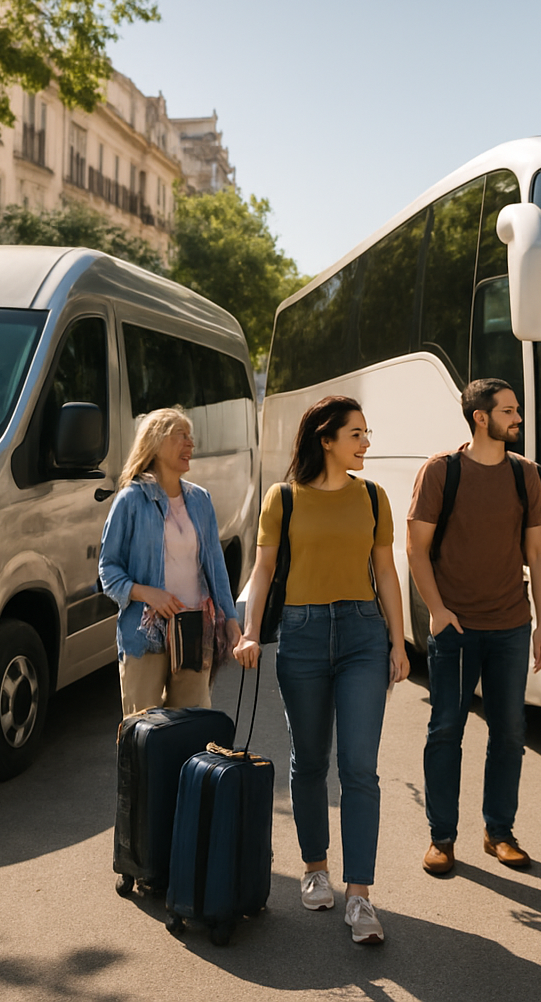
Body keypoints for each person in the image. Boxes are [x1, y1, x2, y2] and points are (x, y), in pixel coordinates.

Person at [234, 396, 410, 945]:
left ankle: (360, 896)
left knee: (359, 768)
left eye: (366, 432)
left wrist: (398, 640)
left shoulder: (373, 497)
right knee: (310, 760)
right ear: (326, 439)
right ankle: (315, 867)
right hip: (302, 634)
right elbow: (263, 570)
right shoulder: (283, 498)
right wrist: (249, 631)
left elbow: (386, 571)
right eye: (356, 434)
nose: (366, 443)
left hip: (363, 635)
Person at [407, 378, 541, 876]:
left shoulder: (524, 474)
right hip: (456, 629)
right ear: (481, 417)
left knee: (510, 733)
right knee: (446, 730)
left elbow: (538, 553)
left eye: (517, 410)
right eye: (509, 411)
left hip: (511, 625)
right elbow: (416, 548)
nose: (518, 418)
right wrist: (437, 610)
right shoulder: (441, 471)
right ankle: (441, 838)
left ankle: (499, 832)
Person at [99, 407, 241, 717]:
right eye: (181, 436)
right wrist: (147, 593)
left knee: (193, 727)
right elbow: (107, 569)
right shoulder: (131, 500)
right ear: (155, 442)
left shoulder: (200, 499)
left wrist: (230, 619)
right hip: (145, 634)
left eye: (191, 437)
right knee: (144, 729)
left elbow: (216, 566)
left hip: (194, 630)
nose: (191, 444)